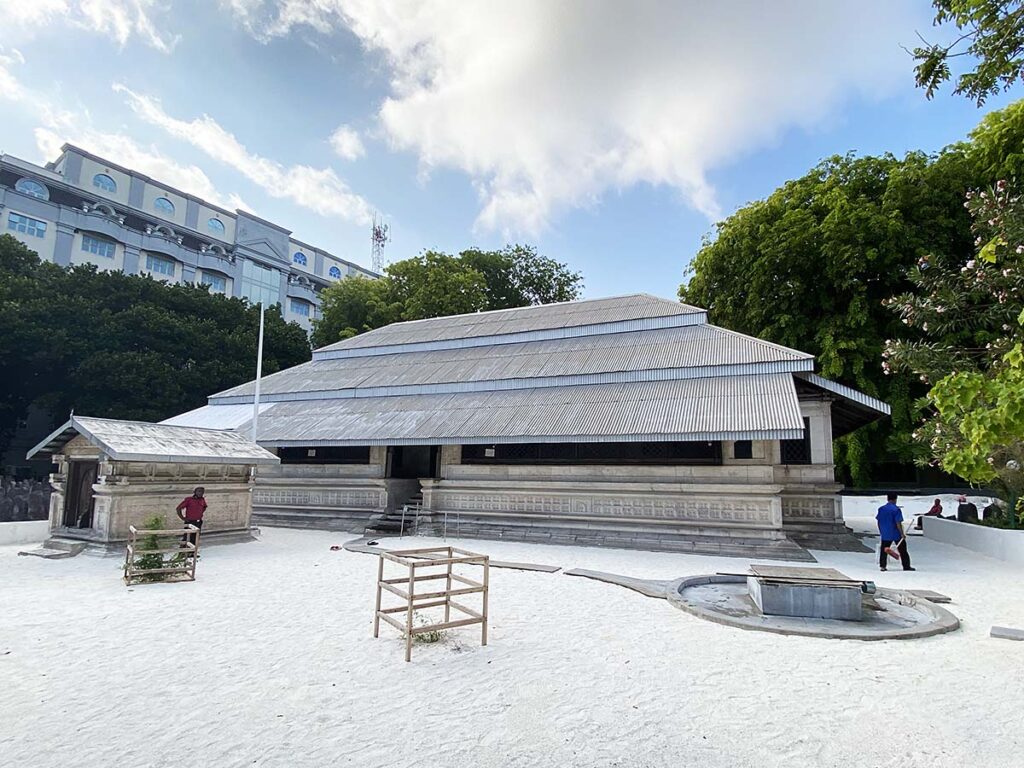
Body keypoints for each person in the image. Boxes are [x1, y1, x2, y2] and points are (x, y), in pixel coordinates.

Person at [876, 492, 914, 572]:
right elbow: (898, 523)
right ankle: (906, 566)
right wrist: (902, 533)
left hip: (885, 533)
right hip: (895, 533)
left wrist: (881, 531)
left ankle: (883, 566)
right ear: (895, 499)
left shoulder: (881, 509)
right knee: (903, 550)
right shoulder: (896, 509)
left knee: (884, 550)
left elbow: (879, 521)